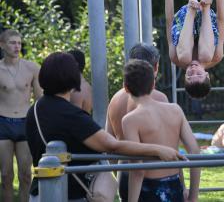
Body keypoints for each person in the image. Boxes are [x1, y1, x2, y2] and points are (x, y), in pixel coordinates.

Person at [25, 52, 184, 201]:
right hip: (70, 194)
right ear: (73, 78)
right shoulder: (71, 115)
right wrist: (157, 149)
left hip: (41, 191)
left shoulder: (36, 109)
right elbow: (111, 144)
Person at [105, 43, 180, 201]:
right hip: (153, 177)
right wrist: (183, 186)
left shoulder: (115, 99)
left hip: (123, 173)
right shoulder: (159, 98)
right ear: (156, 67)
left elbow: (109, 144)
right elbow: (170, 147)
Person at [122, 59, 200, 202]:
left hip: (149, 191)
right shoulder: (175, 110)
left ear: (126, 88)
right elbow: (195, 151)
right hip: (175, 187)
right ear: (153, 84)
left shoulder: (130, 120)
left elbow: (137, 170)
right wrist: (193, 196)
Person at [164, 0, 224, 99]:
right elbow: (220, 21)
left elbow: (169, 22)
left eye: (190, 75)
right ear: (207, 75)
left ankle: (192, 7)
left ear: (184, 77)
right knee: (205, 55)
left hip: (185, 16)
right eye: (199, 74)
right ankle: (206, 6)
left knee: (184, 56)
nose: (193, 70)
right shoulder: (216, 56)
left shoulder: (176, 57)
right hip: (206, 15)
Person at [0, 29, 42, 202]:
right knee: (6, 175)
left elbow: (40, 99)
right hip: (3, 122)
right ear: (2, 45)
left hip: (25, 122)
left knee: (26, 174)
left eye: (19, 42)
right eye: (12, 42)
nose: (17, 46)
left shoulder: (32, 68)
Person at [68, 49, 92, 114]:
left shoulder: (76, 90)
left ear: (76, 64)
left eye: (67, 62)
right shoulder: (87, 86)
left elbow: (73, 120)